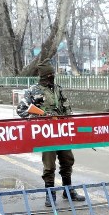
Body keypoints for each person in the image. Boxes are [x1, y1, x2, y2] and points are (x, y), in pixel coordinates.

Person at [16, 63, 85, 207]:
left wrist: (67, 121)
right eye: (50, 75)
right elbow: (21, 110)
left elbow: (67, 108)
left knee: (67, 161)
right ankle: (50, 193)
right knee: (49, 166)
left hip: (61, 132)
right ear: (45, 76)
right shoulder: (32, 91)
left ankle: (68, 190)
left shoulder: (58, 89)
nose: (52, 77)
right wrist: (41, 118)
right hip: (46, 134)